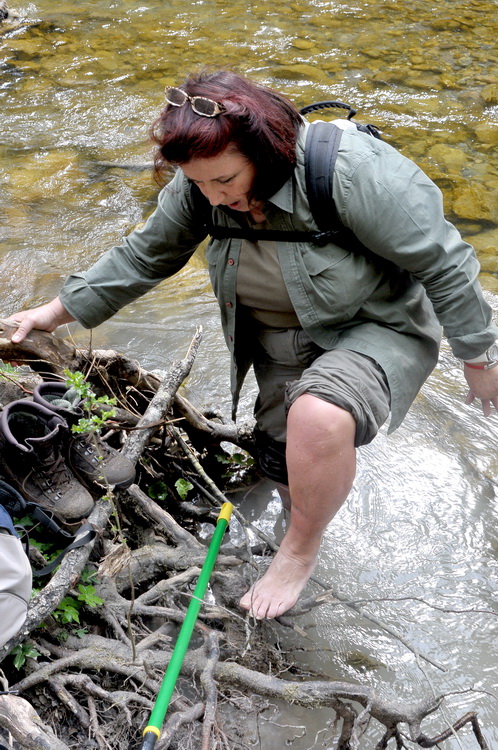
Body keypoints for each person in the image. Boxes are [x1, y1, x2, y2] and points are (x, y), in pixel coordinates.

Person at [8, 69, 498, 620]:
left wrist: (478, 355)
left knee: (319, 415)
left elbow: (446, 261)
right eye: (198, 184)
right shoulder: (203, 184)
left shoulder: (351, 173)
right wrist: (53, 313)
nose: (212, 196)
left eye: (224, 180)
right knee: (285, 457)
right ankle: (301, 517)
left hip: (374, 325)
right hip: (276, 340)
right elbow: (144, 256)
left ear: (265, 150)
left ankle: (299, 553)